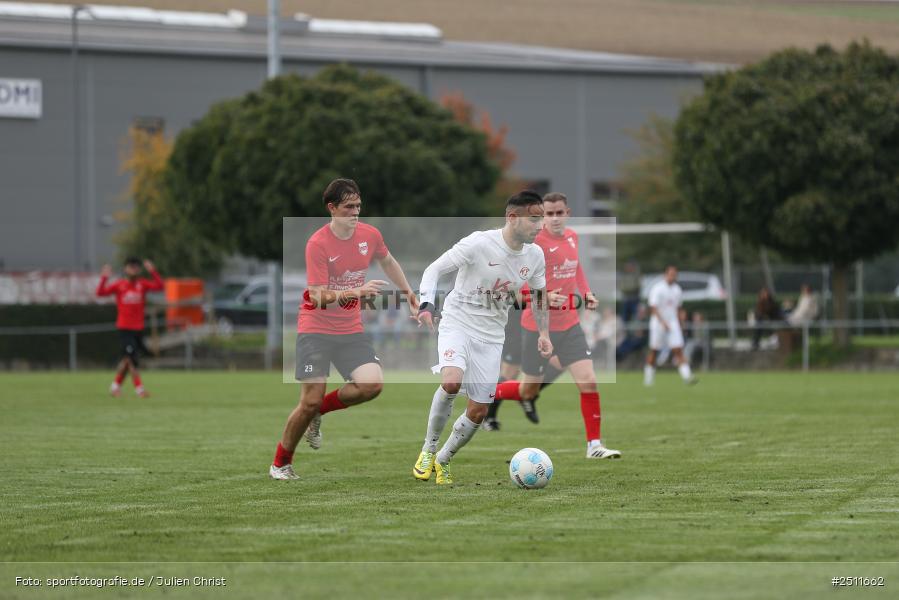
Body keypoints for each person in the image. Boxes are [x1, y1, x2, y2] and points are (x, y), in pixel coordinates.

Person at [270, 178, 417, 481]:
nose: (355, 213)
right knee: (308, 400)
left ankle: (319, 412)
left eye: (358, 207)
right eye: (349, 207)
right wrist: (356, 293)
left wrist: (408, 293)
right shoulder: (318, 244)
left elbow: (388, 261)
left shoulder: (370, 235)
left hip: (349, 329)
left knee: (371, 385)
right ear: (332, 208)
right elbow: (317, 296)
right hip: (315, 328)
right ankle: (280, 463)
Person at [412, 190, 551, 485]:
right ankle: (428, 449)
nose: (541, 226)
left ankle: (443, 460)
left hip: (491, 335)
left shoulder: (535, 255)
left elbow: (539, 297)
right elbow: (434, 269)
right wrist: (426, 304)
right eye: (535, 219)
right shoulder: (478, 243)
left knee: (478, 411)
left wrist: (543, 332)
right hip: (457, 322)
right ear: (512, 218)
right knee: (451, 381)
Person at [493, 192, 621, 459]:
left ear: (567, 213)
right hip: (537, 327)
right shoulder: (534, 242)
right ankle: (484, 391)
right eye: (547, 214)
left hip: (570, 325)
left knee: (588, 381)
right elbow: (514, 286)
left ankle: (594, 446)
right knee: (527, 389)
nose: (553, 218)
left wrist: (586, 293)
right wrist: (542, 296)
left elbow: (576, 270)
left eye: (558, 213)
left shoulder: (572, 237)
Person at [96, 257, 164, 398]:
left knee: (129, 360)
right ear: (125, 268)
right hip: (125, 328)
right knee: (131, 359)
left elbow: (160, 286)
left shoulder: (142, 284)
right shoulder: (119, 285)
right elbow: (100, 293)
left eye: (136, 266)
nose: (134, 269)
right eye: (131, 266)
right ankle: (139, 390)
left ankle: (115, 387)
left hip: (138, 328)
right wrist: (104, 277)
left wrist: (152, 270)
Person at [644, 265, 697, 386]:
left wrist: (681, 321)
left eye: (675, 275)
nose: (673, 277)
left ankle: (687, 376)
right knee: (654, 350)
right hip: (658, 324)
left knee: (678, 349)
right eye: (670, 274)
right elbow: (653, 308)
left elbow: (678, 308)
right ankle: (649, 377)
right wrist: (663, 322)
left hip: (672, 323)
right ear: (665, 274)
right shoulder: (658, 288)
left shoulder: (677, 289)